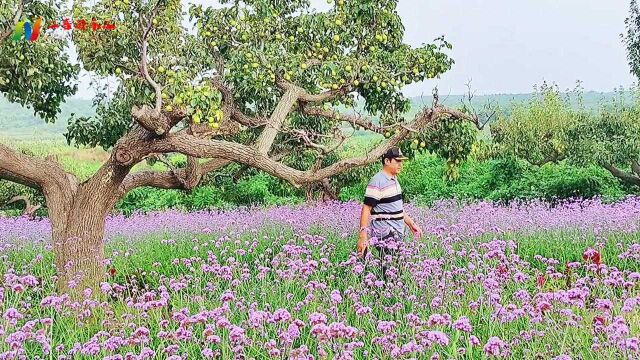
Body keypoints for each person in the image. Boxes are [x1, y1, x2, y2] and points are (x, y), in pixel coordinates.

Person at [357, 146, 423, 280]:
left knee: (396, 269)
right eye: (397, 161)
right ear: (387, 161)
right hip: (385, 233)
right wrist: (363, 236)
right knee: (390, 271)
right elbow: (366, 209)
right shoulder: (378, 181)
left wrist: (411, 224)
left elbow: (397, 208)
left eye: (401, 161)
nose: (400, 164)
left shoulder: (394, 180)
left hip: (397, 231)